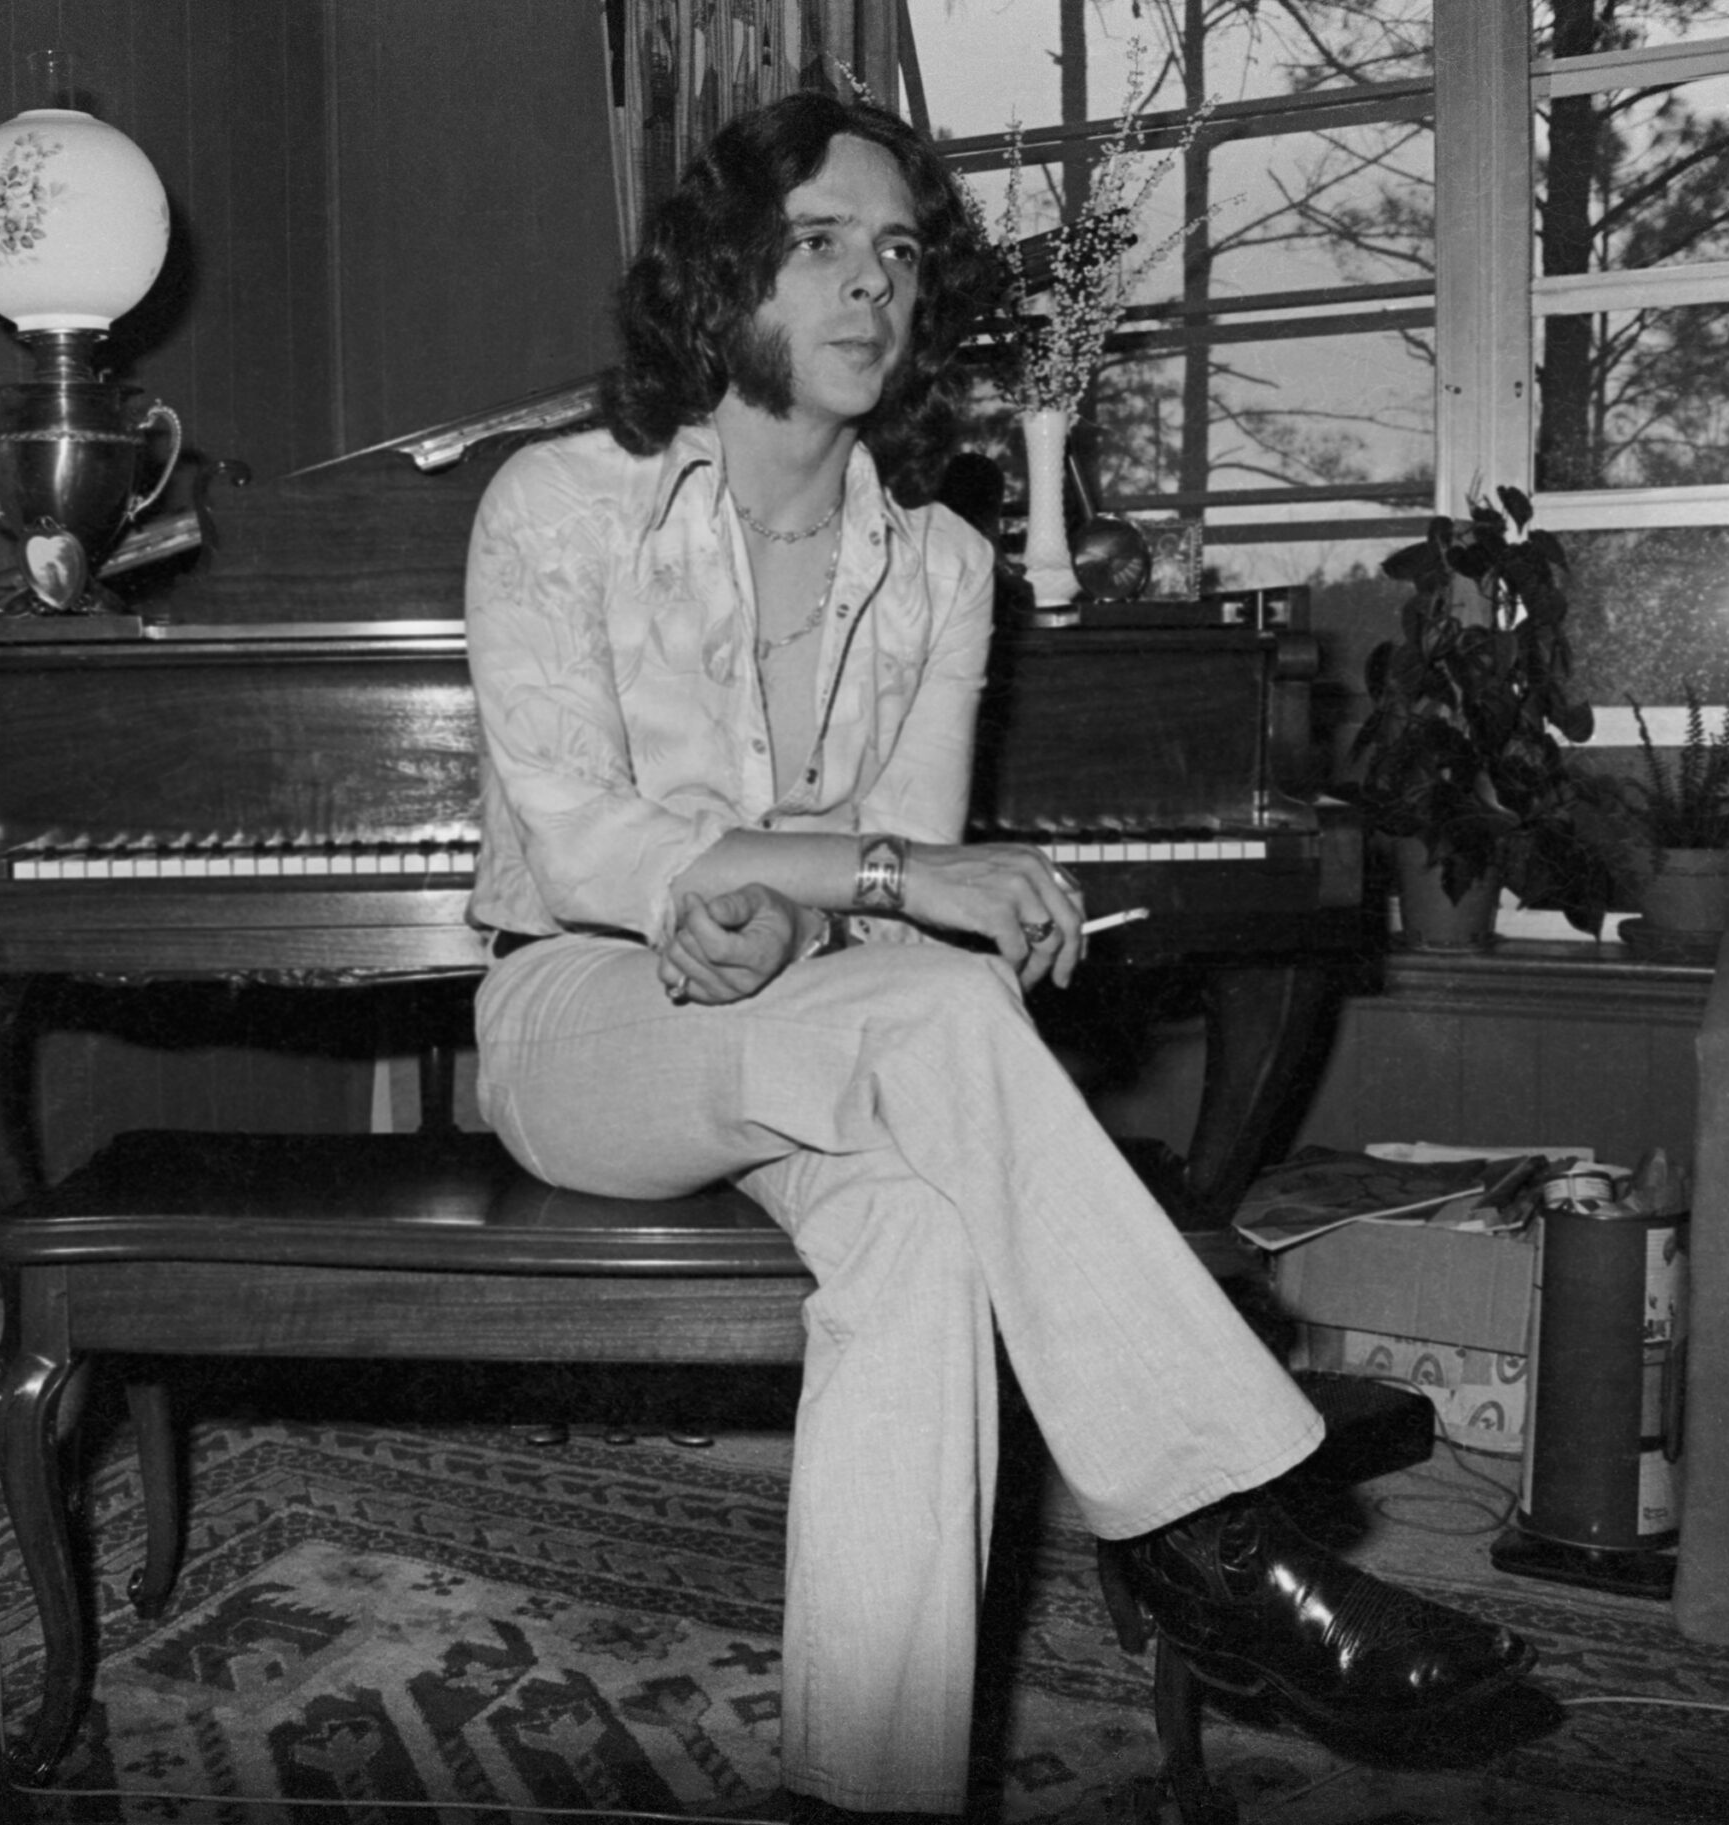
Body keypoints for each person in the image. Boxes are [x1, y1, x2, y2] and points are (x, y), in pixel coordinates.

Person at [462, 91, 1535, 1820]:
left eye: (898, 253)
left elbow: (885, 908)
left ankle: (866, 1787)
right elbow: (590, 845)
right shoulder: (560, 503)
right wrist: (872, 877)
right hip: (581, 1017)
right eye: (820, 242)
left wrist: (807, 909)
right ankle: (1210, 1528)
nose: (870, 284)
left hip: (831, 1019)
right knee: (948, 1003)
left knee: (919, 1238)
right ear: (720, 272)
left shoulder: (946, 563)